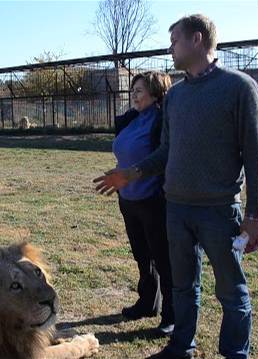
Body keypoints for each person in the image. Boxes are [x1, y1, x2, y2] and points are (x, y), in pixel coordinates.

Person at [94, 14, 258, 359]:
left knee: (231, 292)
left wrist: (255, 214)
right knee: (184, 286)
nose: (170, 47)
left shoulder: (239, 88)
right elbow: (165, 152)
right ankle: (181, 347)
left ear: (197, 39)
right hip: (177, 209)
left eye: (175, 40)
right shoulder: (175, 97)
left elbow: (256, 155)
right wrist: (130, 174)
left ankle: (235, 353)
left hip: (219, 211)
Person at [109, 71, 174, 336]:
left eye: (139, 91)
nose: (134, 95)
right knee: (142, 257)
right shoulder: (132, 120)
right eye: (132, 91)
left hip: (153, 201)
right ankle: (148, 302)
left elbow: (163, 160)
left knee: (163, 259)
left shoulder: (162, 122)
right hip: (128, 199)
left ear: (156, 93)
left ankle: (171, 314)